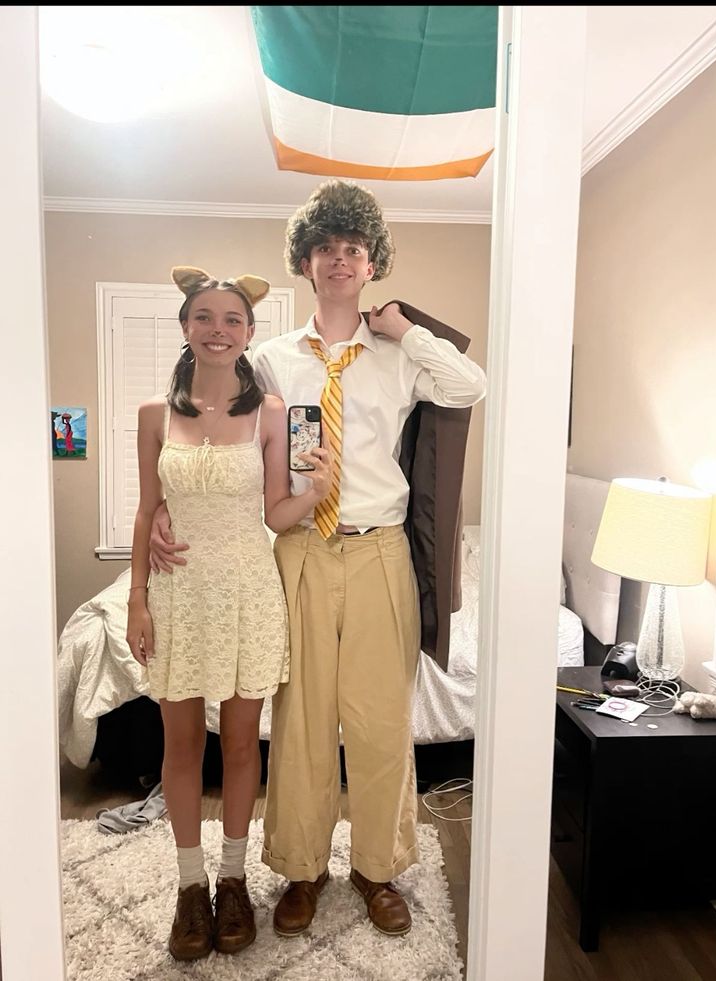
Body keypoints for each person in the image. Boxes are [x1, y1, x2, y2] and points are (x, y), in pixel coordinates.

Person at [150, 180, 487, 938]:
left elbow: (472, 385)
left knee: (378, 720)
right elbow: (209, 428)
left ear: (372, 266)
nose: (340, 260)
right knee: (298, 721)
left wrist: (406, 328)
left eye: (355, 250)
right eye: (328, 248)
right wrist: (169, 502)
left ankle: (377, 867)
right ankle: (302, 867)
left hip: (380, 552)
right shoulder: (268, 360)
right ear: (307, 261)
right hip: (298, 550)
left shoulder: (401, 356)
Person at [126, 266, 331, 962]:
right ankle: (190, 888)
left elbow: (275, 511)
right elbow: (146, 509)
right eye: (205, 317)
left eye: (233, 320)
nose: (219, 330)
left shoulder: (272, 412)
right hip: (178, 595)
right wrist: (135, 597)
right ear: (186, 326)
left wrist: (317, 491)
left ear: (249, 333)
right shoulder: (155, 413)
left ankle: (234, 878)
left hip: (248, 590)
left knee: (242, 745)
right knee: (181, 745)